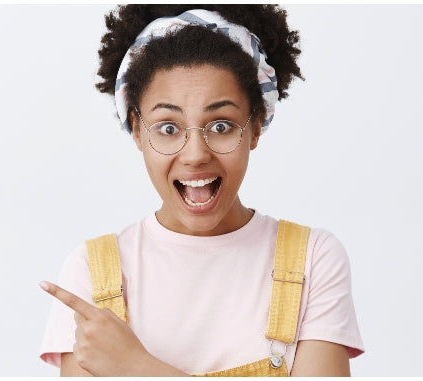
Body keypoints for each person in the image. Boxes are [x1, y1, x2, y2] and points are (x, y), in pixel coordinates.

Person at [39, 4, 364, 376]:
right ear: (137, 130)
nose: (195, 155)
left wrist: (136, 367)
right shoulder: (90, 274)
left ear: (255, 126)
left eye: (222, 125)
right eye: (168, 127)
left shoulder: (314, 260)